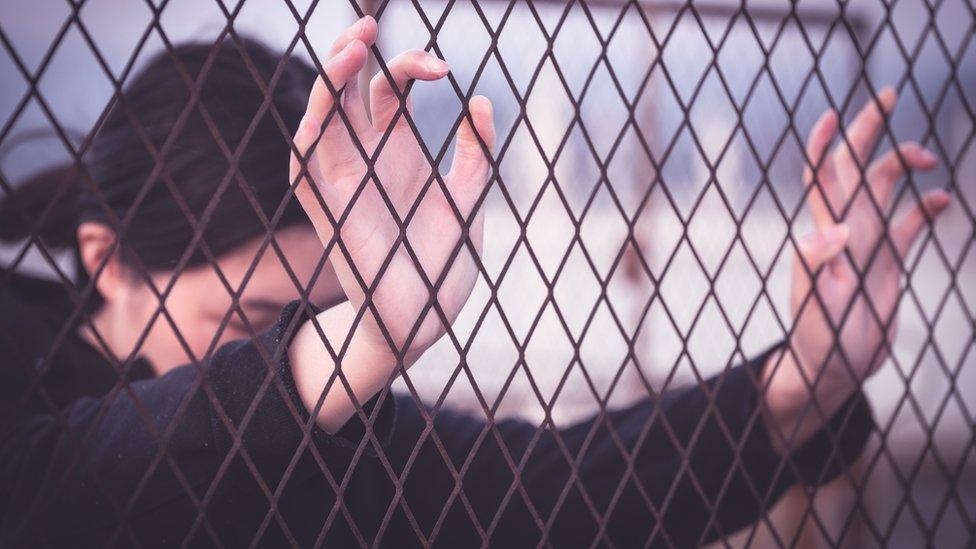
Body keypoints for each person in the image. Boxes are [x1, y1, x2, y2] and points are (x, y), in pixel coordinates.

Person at [0, 16, 950, 548]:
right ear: (108, 258)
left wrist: (806, 381)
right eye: (251, 318)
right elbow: (47, 493)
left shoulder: (332, 431)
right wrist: (359, 342)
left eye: (321, 316)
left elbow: (560, 487)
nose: (304, 347)